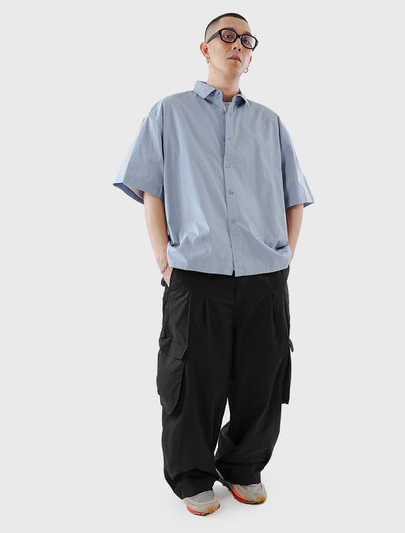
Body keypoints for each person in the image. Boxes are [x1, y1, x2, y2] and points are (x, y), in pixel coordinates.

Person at [113, 12, 314, 516]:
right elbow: (150, 188)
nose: (237, 44)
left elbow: (295, 196)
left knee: (263, 377)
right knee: (191, 378)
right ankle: (192, 475)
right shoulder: (169, 112)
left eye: (246, 39)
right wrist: (164, 261)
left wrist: (284, 258)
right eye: (227, 35)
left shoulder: (270, 123)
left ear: (251, 56)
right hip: (195, 273)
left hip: (264, 275)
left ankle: (243, 465)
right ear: (205, 49)